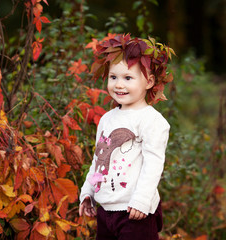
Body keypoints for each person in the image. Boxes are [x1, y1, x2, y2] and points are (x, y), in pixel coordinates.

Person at [79, 33, 175, 240]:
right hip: (106, 210)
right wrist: (88, 192)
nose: (119, 85)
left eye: (128, 78)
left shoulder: (151, 120)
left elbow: (153, 164)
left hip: (135, 211)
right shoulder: (107, 119)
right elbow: (99, 159)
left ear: (149, 81)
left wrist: (141, 200)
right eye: (113, 77)